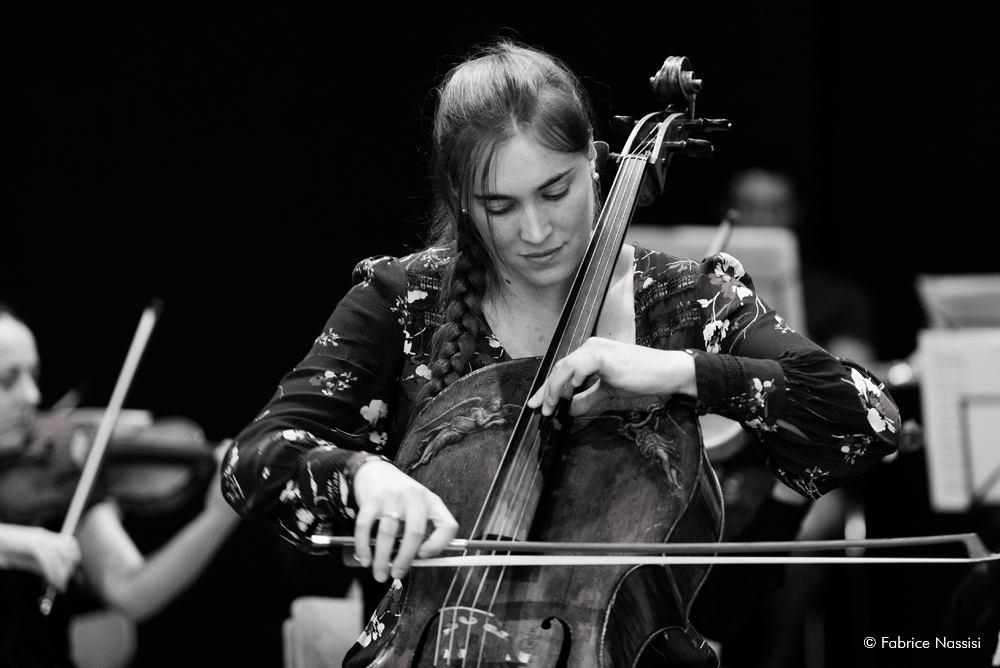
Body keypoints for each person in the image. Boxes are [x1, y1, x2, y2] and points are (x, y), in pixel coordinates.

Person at [222, 40, 900, 667]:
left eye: (556, 191)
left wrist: (681, 372)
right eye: (500, 206)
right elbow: (252, 459)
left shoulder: (685, 301)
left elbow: (868, 419)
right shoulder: (404, 302)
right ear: (461, 200)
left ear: (596, 164)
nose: (537, 230)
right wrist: (363, 476)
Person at [0, 302, 242, 667]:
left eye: (34, 375)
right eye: (7, 380)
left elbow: (129, 591)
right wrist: (17, 542)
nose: (32, 396)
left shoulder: (64, 473)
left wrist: (216, 518)